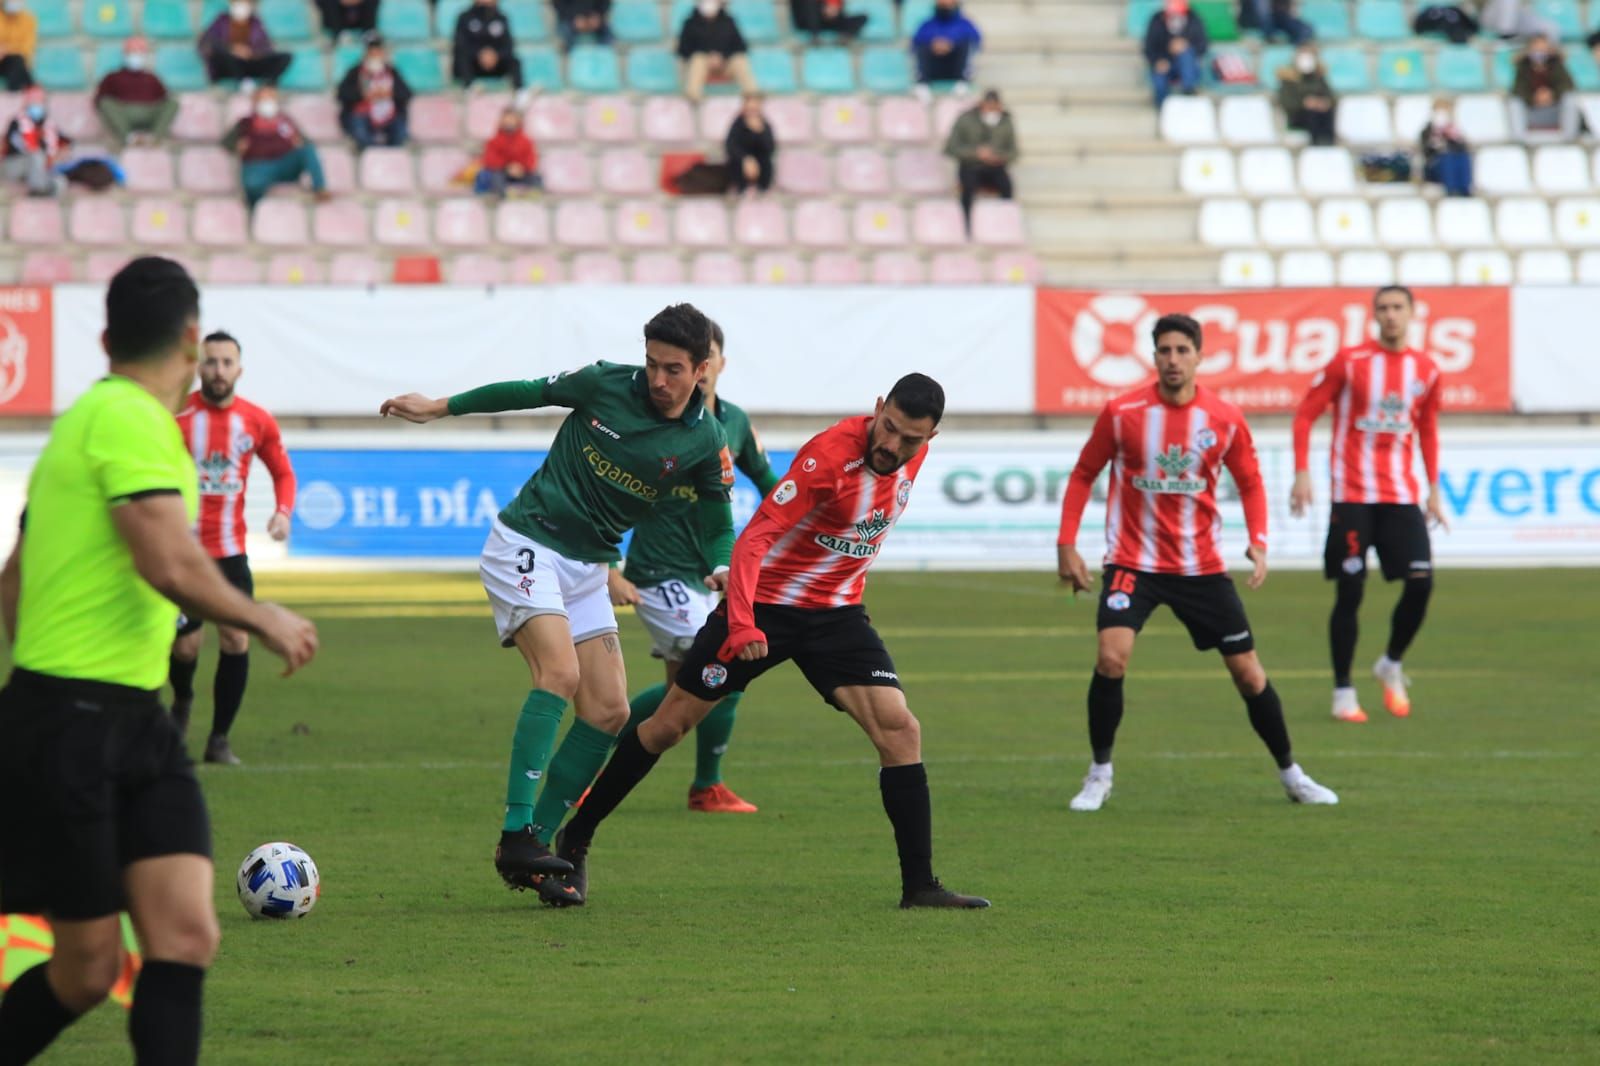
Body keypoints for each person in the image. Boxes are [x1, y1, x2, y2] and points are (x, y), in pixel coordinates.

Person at [0, 256, 317, 1066]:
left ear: (105, 338)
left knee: (185, 932)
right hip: (72, 722)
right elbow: (167, 563)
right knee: (85, 971)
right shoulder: (132, 421)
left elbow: (13, 583)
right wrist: (262, 615)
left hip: (128, 716)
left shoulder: (86, 423)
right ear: (188, 336)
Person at [551, 375, 992, 911]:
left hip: (836, 615)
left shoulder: (908, 458)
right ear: (878, 408)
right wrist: (742, 623)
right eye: (889, 428)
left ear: (932, 437)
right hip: (764, 607)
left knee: (900, 729)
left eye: (911, 440)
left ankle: (920, 886)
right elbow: (755, 538)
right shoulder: (829, 458)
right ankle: (577, 837)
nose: (892, 446)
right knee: (668, 727)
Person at [378, 305, 737, 908]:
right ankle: (517, 831)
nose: (657, 379)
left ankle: (539, 850)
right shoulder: (604, 382)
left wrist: (722, 563)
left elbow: (715, 516)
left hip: (586, 567)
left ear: (702, 369)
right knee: (561, 675)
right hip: (527, 542)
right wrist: (442, 406)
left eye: (673, 369)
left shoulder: (705, 438)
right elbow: (526, 391)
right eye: (651, 363)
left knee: (608, 710)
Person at [1057, 312, 1339, 812]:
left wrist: (1259, 540)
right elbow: (1084, 473)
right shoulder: (1123, 412)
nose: (1172, 360)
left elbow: (1250, 481)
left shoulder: (1224, 418)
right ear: (1153, 356)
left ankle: (1292, 774)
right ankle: (1099, 773)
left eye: (1182, 351)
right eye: (1164, 351)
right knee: (1111, 657)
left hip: (1201, 568)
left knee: (1249, 675)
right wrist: (1067, 543)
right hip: (1133, 562)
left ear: (1199, 357)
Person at [606, 320, 775, 814]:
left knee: (691, 688)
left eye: (705, 360)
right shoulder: (653, 422)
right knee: (720, 667)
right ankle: (701, 784)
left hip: (711, 575)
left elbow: (770, 484)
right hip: (658, 573)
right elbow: (613, 494)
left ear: (715, 364)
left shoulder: (735, 424)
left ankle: (601, 747)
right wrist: (609, 564)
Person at [1290, 286, 1445, 724]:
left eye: (1398, 307)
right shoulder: (1351, 362)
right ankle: (1343, 690)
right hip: (1353, 495)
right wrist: (1302, 472)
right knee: (1350, 591)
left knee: (1421, 582)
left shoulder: (1427, 369)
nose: (1390, 315)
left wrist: (1433, 486)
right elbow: (1306, 414)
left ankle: (1390, 663)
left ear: (1413, 313)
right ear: (1373, 315)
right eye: (1383, 308)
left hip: (1400, 495)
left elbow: (1428, 429)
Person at [169, 331, 297, 766]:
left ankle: (219, 739)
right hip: (183, 554)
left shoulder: (256, 421)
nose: (218, 370)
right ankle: (182, 701)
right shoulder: (177, 416)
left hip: (229, 553)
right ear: (198, 367)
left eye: (226, 362)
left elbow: (282, 471)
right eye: (211, 362)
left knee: (236, 637)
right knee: (185, 648)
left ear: (239, 370)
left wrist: (283, 511)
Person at [223, 87, 329, 210]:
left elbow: (305, 141)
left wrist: (299, 142)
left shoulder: (285, 121)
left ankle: (320, 189)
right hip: (258, 166)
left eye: (271, 99)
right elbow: (226, 143)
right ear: (255, 102)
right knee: (252, 183)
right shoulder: (245, 123)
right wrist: (237, 146)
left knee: (308, 150)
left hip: (284, 164)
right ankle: (252, 208)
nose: (268, 103)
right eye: (264, 99)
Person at [943, 88, 1018, 229]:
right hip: (971, 166)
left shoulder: (1006, 122)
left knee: (1007, 187)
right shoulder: (965, 119)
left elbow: (1014, 152)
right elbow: (951, 148)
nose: (991, 110)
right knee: (967, 189)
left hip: (995, 166)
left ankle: (1005, 224)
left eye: (994, 106)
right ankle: (966, 225)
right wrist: (975, 153)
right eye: (988, 106)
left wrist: (997, 156)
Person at [94, 36, 179, 148]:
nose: (136, 55)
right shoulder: (112, 77)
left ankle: (154, 139)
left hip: (149, 113)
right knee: (106, 102)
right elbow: (99, 100)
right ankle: (128, 138)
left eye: (140, 51)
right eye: (132, 51)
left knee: (172, 103)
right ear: (125, 53)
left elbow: (164, 98)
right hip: (124, 113)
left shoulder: (152, 78)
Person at [337, 34, 412, 149]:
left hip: (389, 115)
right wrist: (363, 94)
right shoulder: (355, 72)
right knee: (359, 130)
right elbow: (342, 94)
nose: (375, 54)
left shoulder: (391, 72)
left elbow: (406, 93)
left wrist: (389, 93)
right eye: (372, 51)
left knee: (400, 132)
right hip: (363, 114)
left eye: (378, 51)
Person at [198, 1, 293, 86]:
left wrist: (251, 53)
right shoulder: (221, 20)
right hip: (228, 64)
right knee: (220, 51)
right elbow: (205, 42)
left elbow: (266, 46)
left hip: (249, 62)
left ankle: (267, 86)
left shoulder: (256, 22)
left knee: (285, 56)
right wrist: (232, 49)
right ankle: (241, 81)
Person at [678, 0, 757, 103]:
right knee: (698, 59)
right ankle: (694, 99)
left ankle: (752, 97)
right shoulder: (689, 23)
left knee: (739, 60)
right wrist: (708, 56)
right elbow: (683, 50)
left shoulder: (729, 21)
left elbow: (741, 47)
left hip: (726, 65)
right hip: (703, 67)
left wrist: (722, 56)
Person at [1510, 34, 1579, 142]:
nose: (1540, 52)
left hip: (1555, 110)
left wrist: (1551, 95)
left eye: (1543, 48)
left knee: (1570, 99)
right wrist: (1534, 97)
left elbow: (1567, 86)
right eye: (1537, 48)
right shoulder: (1523, 68)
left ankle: (1568, 137)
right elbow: (1518, 90)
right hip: (1532, 110)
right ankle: (1520, 139)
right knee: (1515, 103)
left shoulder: (1557, 66)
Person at [2, 86, 67, 197]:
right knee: (36, 155)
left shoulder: (49, 125)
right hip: (13, 166)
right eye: (33, 101)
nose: (36, 104)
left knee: (60, 180)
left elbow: (65, 143)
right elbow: (21, 146)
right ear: (26, 102)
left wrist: (59, 155)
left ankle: (43, 194)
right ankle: (38, 190)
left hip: (36, 170)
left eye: (39, 101)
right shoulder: (16, 123)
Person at [1144, 0, 1208, 108]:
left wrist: (1186, 45)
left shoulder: (1194, 18)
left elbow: (1203, 45)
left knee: (1186, 55)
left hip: (1187, 65)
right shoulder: (1157, 19)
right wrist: (1157, 61)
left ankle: (1189, 95)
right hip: (1164, 62)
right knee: (1159, 79)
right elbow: (1148, 47)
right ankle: (1163, 108)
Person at [911, 0, 981, 96]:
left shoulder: (965, 24)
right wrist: (933, 44)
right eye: (942, 4)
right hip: (933, 68)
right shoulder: (927, 24)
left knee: (965, 45)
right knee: (922, 46)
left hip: (954, 68)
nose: (945, 6)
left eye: (948, 4)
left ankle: (962, 82)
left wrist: (951, 44)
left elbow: (976, 41)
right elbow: (915, 43)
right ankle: (922, 83)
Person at [453, 0, 524, 90]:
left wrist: (495, 55)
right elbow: (460, 45)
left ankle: (520, 92)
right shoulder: (465, 18)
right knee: (462, 58)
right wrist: (480, 54)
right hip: (474, 63)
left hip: (495, 63)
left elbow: (508, 46)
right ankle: (470, 89)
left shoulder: (501, 18)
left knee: (514, 61)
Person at [1276, 43, 1336, 147]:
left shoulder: (1319, 77)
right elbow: (1286, 102)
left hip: (1321, 115)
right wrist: (1304, 103)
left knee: (1326, 111)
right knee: (1311, 113)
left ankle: (1329, 142)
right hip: (1297, 116)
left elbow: (1331, 97)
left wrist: (1324, 102)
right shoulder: (1288, 79)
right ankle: (1316, 144)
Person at [474, 106, 541, 197]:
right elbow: (490, 160)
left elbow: (531, 159)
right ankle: (506, 193)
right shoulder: (494, 141)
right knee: (494, 177)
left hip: (521, 172)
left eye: (512, 119)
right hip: (502, 172)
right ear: (501, 121)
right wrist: (507, 167)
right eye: (507, 119)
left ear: (518, 121)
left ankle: (530, 193)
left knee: (535, 177)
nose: (509, 122)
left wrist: (521, 168)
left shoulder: (526, 141)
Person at [725, 92, 776, 195]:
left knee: (766, 162)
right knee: (735, 163)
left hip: (760, 162)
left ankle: (763, 189)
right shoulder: (738, 124)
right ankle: (740, 189)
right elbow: (731, 145)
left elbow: (769, 148)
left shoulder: (765, 125)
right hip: (741, 161)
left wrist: (760, 132)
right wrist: (746, 159)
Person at [1420, 98, 1473, 196]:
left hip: (1454, 160)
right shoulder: (1427, 131)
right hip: (1435, 166)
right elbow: (1427, 152)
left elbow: (1463, 147)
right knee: (1447, 158)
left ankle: (1464, 188)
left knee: (1463, 157)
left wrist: (1453, 138)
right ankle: (1451, 190)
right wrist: (1438, 142)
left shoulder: (1454, 130)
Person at [0, 0, 36, 90]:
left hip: (12, 61)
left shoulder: (28, 19)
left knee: (18, 62)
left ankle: (13, 94)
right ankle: (32, 89)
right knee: (22, 71)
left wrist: (6, 49)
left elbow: (26, 48)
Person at [1240, 0, 1312, 43]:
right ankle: (1270, 38)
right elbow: (1262, 12)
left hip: (1280, 16)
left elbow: (1292, 12)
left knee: (1306, 30)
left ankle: (1295, 46)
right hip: (1257, 21)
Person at [789, 0, 868, 39]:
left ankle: (845, 36)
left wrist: (833, 6)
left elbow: (835, 8)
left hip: (828, 20)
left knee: (863, 17)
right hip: (807, 22)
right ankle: (815, 36)